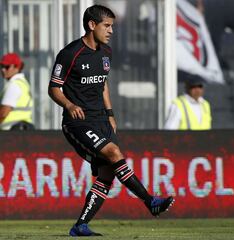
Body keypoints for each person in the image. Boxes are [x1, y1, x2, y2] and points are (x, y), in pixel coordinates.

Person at [48, 5, 174, 237]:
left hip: (101, 120)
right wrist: (69, 105)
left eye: (112, 26)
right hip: (78, 123)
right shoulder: (70, 54)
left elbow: (102, 83)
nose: (111, 31)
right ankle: (150, 201)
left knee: (107, 173)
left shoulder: (106, 52)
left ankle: (80, 226)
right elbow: (54, 88)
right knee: (114, 153)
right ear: (91, 25)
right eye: (107, 25)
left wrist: (110, 113)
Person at [0, 53, 34, 130]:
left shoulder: (14, 85)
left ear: (17, 67)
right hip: (20, 131)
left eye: (7, 67)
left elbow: (3, 113)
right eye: (2, 66)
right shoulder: (22, 83)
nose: (3, 70)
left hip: (11, 134)